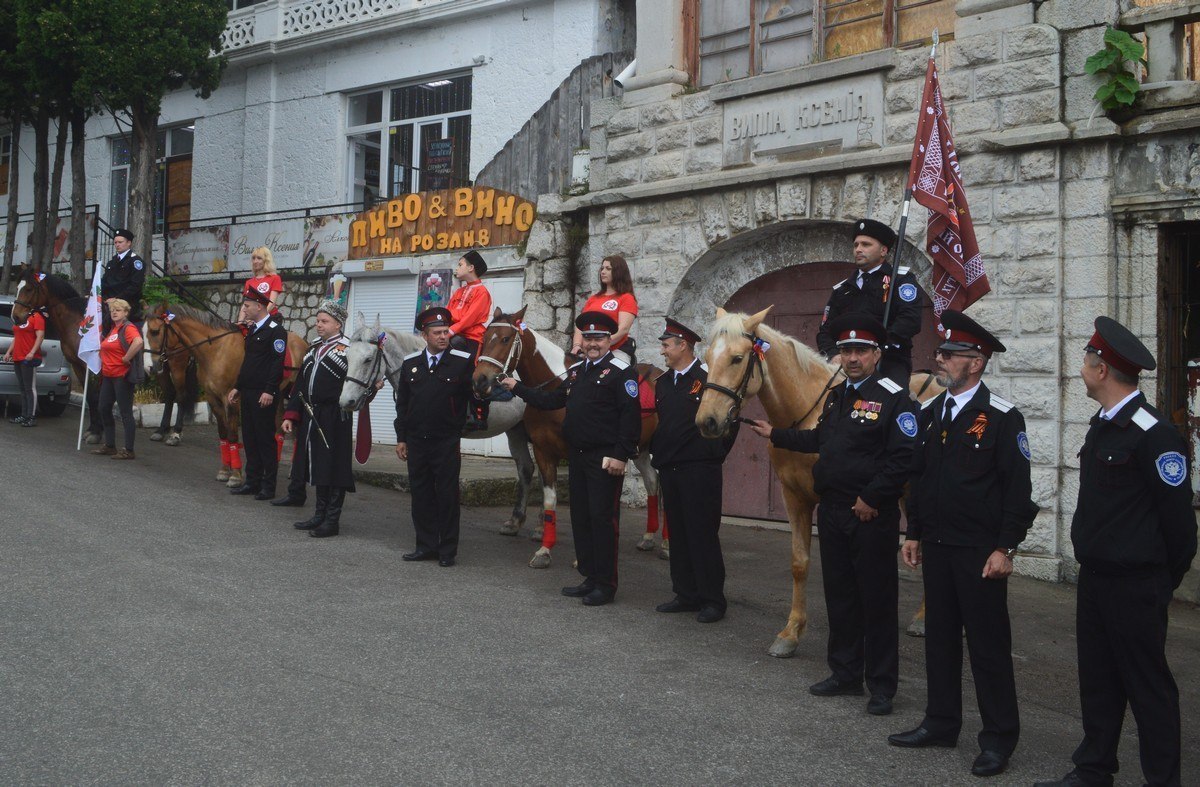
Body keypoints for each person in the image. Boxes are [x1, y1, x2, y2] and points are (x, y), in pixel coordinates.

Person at [1034, 318, 1197, 787]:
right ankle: (1093, 769)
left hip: (1136, 584)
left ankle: (1162, 780)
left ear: (1101, 369)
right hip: (1097, 579)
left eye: (1085, 363)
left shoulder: (1155, 434)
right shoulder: (1103, 426)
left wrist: (1159, 583)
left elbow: (1181, 527)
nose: (1080, 371)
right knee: (1099, 682)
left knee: (1148, 689)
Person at [888, 310, 1039, 778]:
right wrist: (913, 532)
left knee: (989, 648)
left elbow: (1018, 491)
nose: (941, 360)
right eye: (941, 353)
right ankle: (940, 722)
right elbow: (921, 478)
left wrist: (1006, 548)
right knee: (939, 642)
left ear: (976, 362)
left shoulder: (1001, 418)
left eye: (950, 355)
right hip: (937, 544)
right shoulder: (931, 414)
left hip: (980, 553)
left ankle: (997, 739)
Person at [747, 314, 915, 715]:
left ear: (877, 354)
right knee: (840, 598)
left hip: (871, 515)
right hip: (836, 510)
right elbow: (819, 438)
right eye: (845, 351)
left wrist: (872, 497)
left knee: (876, 602)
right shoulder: (838, 396)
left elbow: (904, 457)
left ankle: (881, 686)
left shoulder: (895, 397)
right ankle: (844, 674)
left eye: (860, 351)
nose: (852, 358)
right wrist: (776, 434)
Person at [499, 311, 641, 606]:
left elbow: (630, 418)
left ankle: (606, 584)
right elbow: (552, 400)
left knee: (603, 521)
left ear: (608, 341)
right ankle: (589, 577)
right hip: (577, 456)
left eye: (598, 338)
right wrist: (519, 389)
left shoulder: (620, 372)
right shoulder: (577, 372)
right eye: (587, 338)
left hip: (605, 459)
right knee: (582, 519)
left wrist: (620, 455)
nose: (592, 343)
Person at [650, 317, 738, 624]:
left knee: (702, 534)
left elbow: (730, 421)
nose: (662, 350)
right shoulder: (662, 383)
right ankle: (685, 593)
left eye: (665, 345)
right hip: (670, 468)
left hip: (700, 469)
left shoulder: (708, 377)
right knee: (679, 533)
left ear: (682, 345)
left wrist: (712, 455)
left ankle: (713, 599)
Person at [394, 307, 476, 567]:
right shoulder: (410, 363)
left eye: (445, 332)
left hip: (445, 440)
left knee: (447, 495)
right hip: (417, 441)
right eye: (437, 333)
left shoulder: (462, 361)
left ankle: (447, 550)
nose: (443, 337)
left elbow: (473, 399)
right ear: (424, 335)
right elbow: (403, 405)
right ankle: (425, 545)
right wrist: (401, 438)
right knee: (420, 494)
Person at [816, 218, 921, 384]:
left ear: (883, 251)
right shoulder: (842, 289)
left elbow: (910, 320)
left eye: (866, 245)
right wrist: (833, 354)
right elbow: (825, 331)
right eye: (856, 245)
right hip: (848, 365)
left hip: (888, 362)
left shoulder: (899, 280)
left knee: (896, 403)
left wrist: (878, 349)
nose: (858, 249)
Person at [282, 300, 355, 539]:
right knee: (317, 464)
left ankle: (331, 520)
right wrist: (291, 414)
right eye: (318, 320)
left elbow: (359, 382)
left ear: (338, 324)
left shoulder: (349, 349)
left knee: (334, 465)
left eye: (324, 321)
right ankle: (319, 514)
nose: (319, 325)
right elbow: (300, 384)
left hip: (335, 415)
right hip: (312, 413)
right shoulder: (314, 348)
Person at [228, 289, 288, 500]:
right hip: (249, 391)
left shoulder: (276, 330)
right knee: (250, 438)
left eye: (247, 306)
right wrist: (238, 386)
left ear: (259, 306)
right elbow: (249, 363)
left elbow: (277, 363)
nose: (243, 309)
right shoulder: (253, 330)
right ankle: (252, 481)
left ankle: (268, 486)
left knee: (265, 440)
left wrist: (270, 390)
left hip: (264, 393)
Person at [447, 249, 493, 430]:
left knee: (469, 374)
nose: (457, 268)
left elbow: (469, 319)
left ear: (471, 268)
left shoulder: (482, 292)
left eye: (460, 264)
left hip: (471, 338)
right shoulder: (459, 291)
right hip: (454, 335)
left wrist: (450, 331)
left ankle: (479, 415)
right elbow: (448, 312)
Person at [91, 298, 143, 459]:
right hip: (108, 375)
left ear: (126, 313)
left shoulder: (128, 328)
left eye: (118, 310)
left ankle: (129, 449)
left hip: (122, 376)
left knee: (125, 412)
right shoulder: (114, 329)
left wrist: (126, 358)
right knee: (103, 408)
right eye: (113, 310)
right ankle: (110, 445)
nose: (114, 312)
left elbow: (138, 341)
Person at [572, 254, 638, 363]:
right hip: (589, 351)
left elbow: (623, 329)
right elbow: (580, 326)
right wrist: (577, 345)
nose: (603, 272)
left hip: (615, 351)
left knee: (618, 375)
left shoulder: (626, 298)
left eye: (608, 269)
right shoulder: (593, 299)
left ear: (619, 272)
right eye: (602, 268)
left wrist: (601, 345)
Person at [4, 304, 46, 426]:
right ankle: (24, 415)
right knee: (22, 388)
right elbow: (16, 337)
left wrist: (32, 352)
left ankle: (31, 417)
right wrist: (8, 352)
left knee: (29, 388)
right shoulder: (22, 317)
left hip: (28, 358)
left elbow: (40, 336)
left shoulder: (37, 317)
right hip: (17, 356)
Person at [101, 229, 147, 328]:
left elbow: (135, 286)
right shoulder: (112, 262)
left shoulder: (135, 261)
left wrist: (116, 299)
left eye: (120, 242)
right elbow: (104, 282)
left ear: (129, 243)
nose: (117, 245)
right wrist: (96, 294)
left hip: (126, 303)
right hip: (108, 301)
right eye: (115, 242)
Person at [238, 247, 283, 324]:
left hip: (270, 319)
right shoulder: (249, 282)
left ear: (266, 260)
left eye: (259, 258)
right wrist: (240, 323)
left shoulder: (275, 278)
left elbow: (271, 304)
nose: (255, 261)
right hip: (252, 321)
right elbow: (245, 305)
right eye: (253, 258)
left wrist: (257, 319)